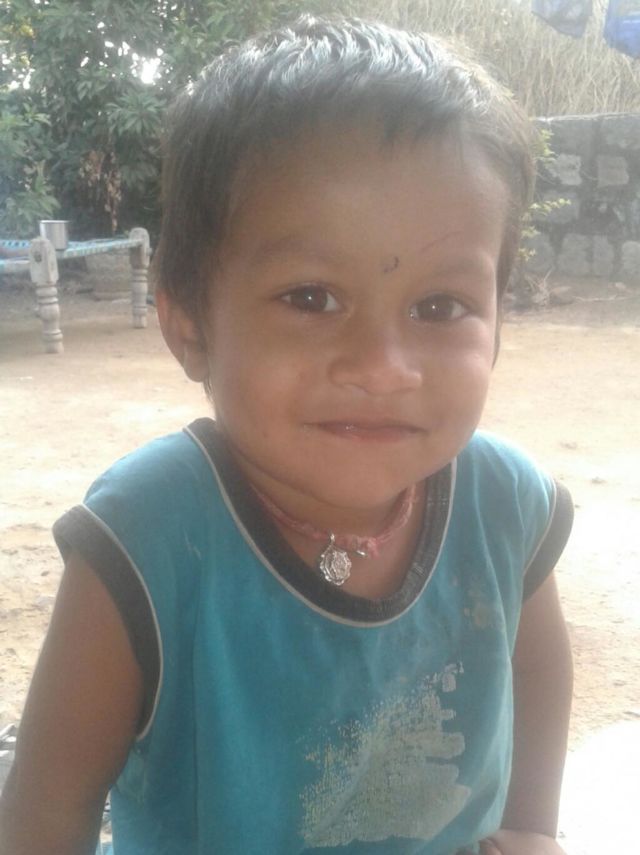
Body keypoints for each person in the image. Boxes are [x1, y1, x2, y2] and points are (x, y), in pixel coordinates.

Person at [0, 17, 574, 855]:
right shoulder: (148, 538)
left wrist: (531, 825)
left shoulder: (505, 504)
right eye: (312, 298)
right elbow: (46, 807)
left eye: (440, 305)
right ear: (190, 324)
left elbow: (536, 666)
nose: (383, 367)